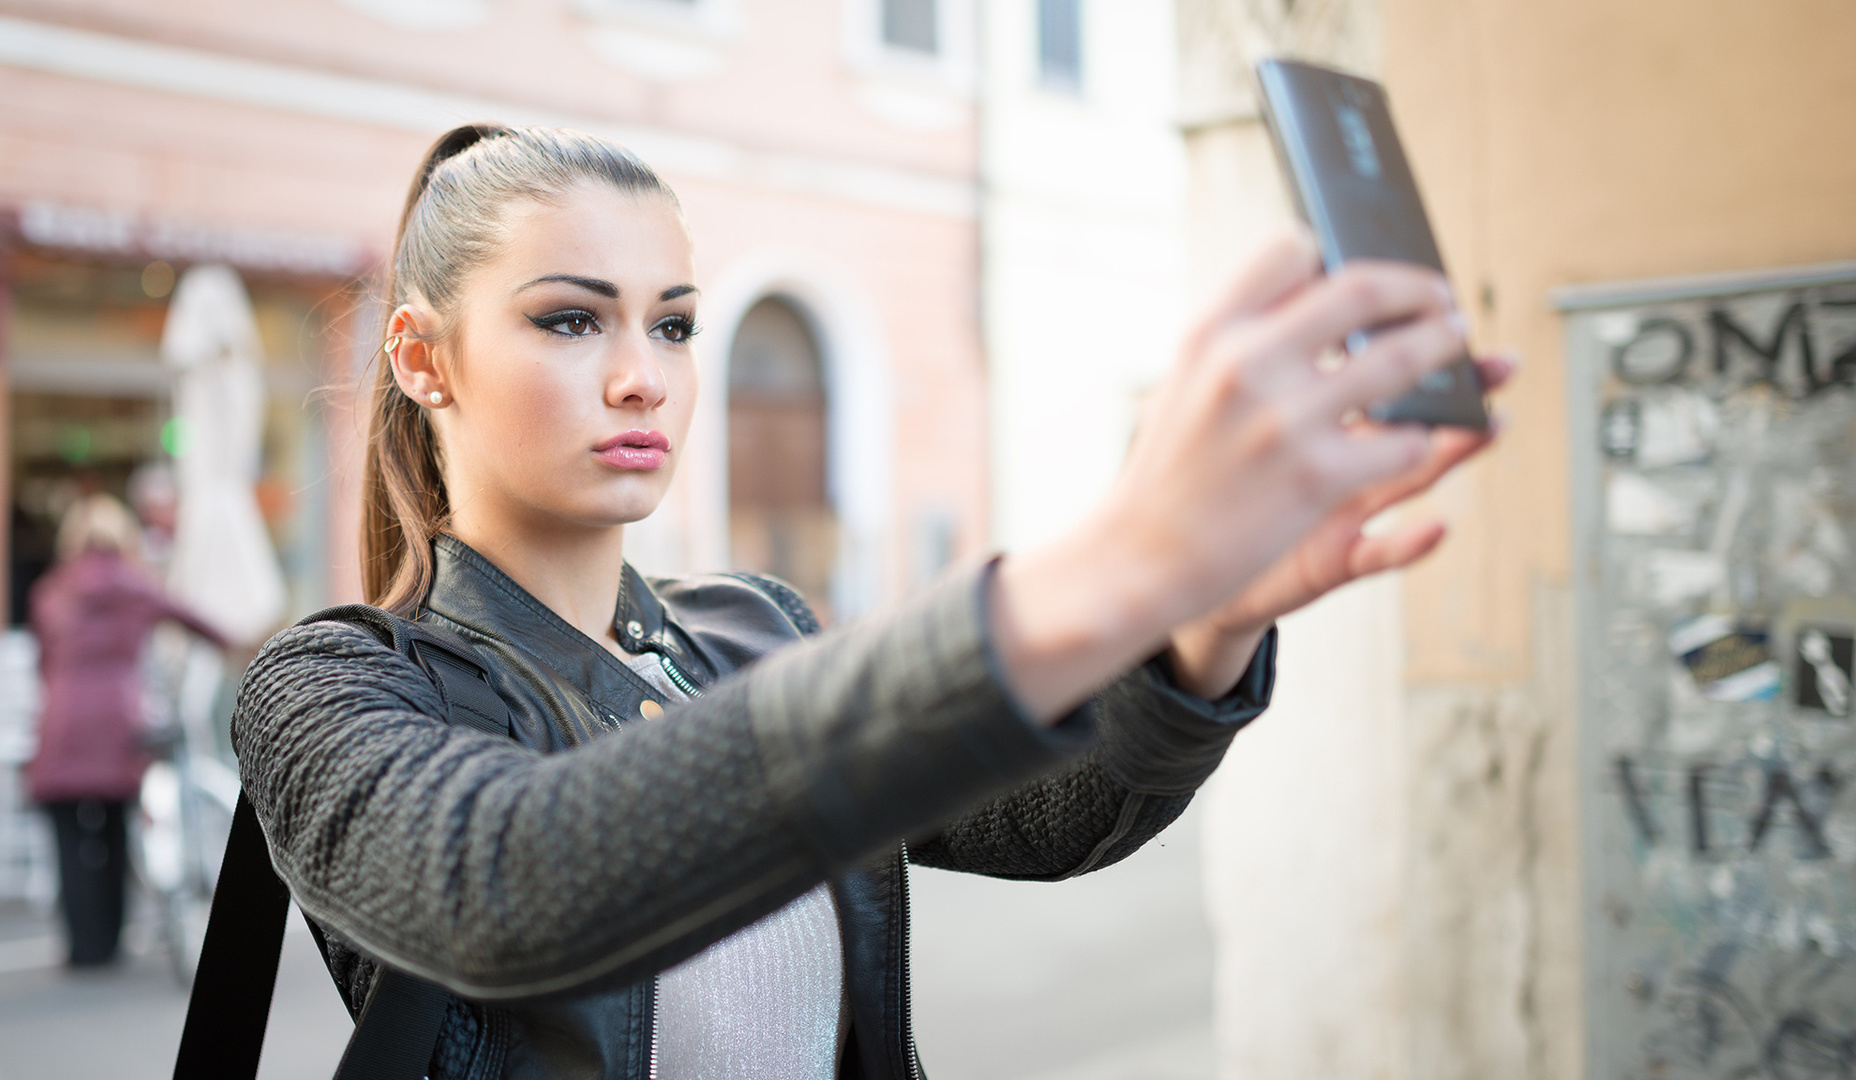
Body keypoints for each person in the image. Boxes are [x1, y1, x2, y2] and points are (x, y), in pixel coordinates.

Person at [231, 124, 1513, 1078]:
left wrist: (1199, 625)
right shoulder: (329, 687)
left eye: (673, 326)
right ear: (419, 356)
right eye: (571, 322)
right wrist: (1113, 566)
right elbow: (509, 880)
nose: (642, 377)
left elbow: (1055, 819)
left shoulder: (757, 629)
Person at [27, 492, 227, 967]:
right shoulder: (138, 584)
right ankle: (112, 939)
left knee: (68, 836)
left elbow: (41, 659)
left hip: (62, 720)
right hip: (119, 719)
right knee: (116, 828)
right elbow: (204, 624)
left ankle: (82, 947)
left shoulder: (52, 590)